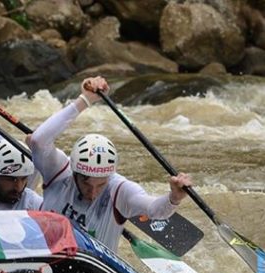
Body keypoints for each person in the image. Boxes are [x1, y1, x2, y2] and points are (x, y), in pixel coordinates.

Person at [26, 76, 192, 252]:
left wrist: (174, 197)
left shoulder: (121, 191)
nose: (93, 192)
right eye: (86, 183)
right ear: (74, 171)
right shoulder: (58, 170)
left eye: (101, 184)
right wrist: (86, 100)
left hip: (89, 271)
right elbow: (38, 140)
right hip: (42, 258)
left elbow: (155, 211)